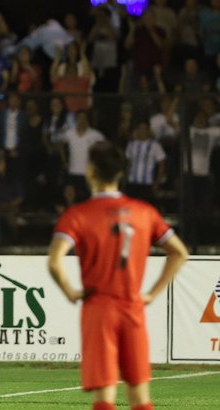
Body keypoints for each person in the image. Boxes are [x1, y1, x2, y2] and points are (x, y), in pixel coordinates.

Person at [47, 141, 189, 410]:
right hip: (132, 307)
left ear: (90, 172)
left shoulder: (77, 215)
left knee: (105, 398)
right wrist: (151, 294)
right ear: (120, 174)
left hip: (99, 308)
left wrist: (70, 292)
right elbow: (179, 253)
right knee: (140, 396)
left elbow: (55, 261)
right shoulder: (144, 212)